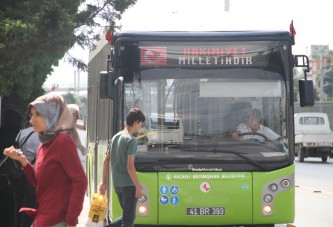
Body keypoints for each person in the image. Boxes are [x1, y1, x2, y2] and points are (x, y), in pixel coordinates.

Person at [3, 93, 87, 227]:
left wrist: (71, 220)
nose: (31, 120)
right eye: (31, 115)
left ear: (51, 116)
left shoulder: (62, 141)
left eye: (38, 114)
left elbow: (80, 181)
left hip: (56, 222)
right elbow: (39, 183)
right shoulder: (43, 145)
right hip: (43, 219)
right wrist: (23, 161)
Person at [99, 108, 145, 227]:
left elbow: (106, 161)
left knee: (128, 216)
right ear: (135, 122)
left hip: (117, 185)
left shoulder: (115, 137)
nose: (141, 127)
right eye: (141, 124)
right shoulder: (131, 141)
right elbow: (130, 166)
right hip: (129, 185)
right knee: (128, 221)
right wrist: (138, 187)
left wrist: (103, 183)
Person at [14, 126, 41, 227]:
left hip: (19, 176)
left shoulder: (22, 132)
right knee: (28, 214)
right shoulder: (42, 136)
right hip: (32, 178)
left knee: (18, 210)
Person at [67, 104, 88, 169]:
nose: (78, 118)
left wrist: (87, 152)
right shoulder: (63, 129)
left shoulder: (72, 129)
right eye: (76, 115)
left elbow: (78, 145)